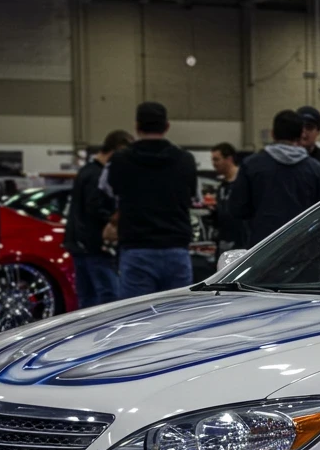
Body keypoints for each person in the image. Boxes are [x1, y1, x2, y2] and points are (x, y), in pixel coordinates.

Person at [100, 101, 198, 298]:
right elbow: (195, 197)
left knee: (137, 320)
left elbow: (106, 189)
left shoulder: (120, 160)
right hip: (176, 250)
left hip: (137, 250)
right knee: (178, 317)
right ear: (167, 126)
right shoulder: (185, 159)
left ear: (137, 127)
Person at [227, 110, 320, 247]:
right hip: (302, 249)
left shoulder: (251, 165)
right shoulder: (314, 168)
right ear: (301, 135)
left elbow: (237, 209)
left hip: (261, 249)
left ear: (273, 133)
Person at [63, 129, 133, 308]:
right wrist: (115, 219)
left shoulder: (86, 170)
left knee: (87, 298)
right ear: (118, 149)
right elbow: (95, 207)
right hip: (95, 246)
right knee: (109, 297)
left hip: (79, 243)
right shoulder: (98, 175)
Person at [210, 142, 247, 253]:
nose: (214, 164)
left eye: (217, 159)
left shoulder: (243, 181)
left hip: (242, 241)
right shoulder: (222, 185)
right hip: (224, 240)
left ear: (229, 159)